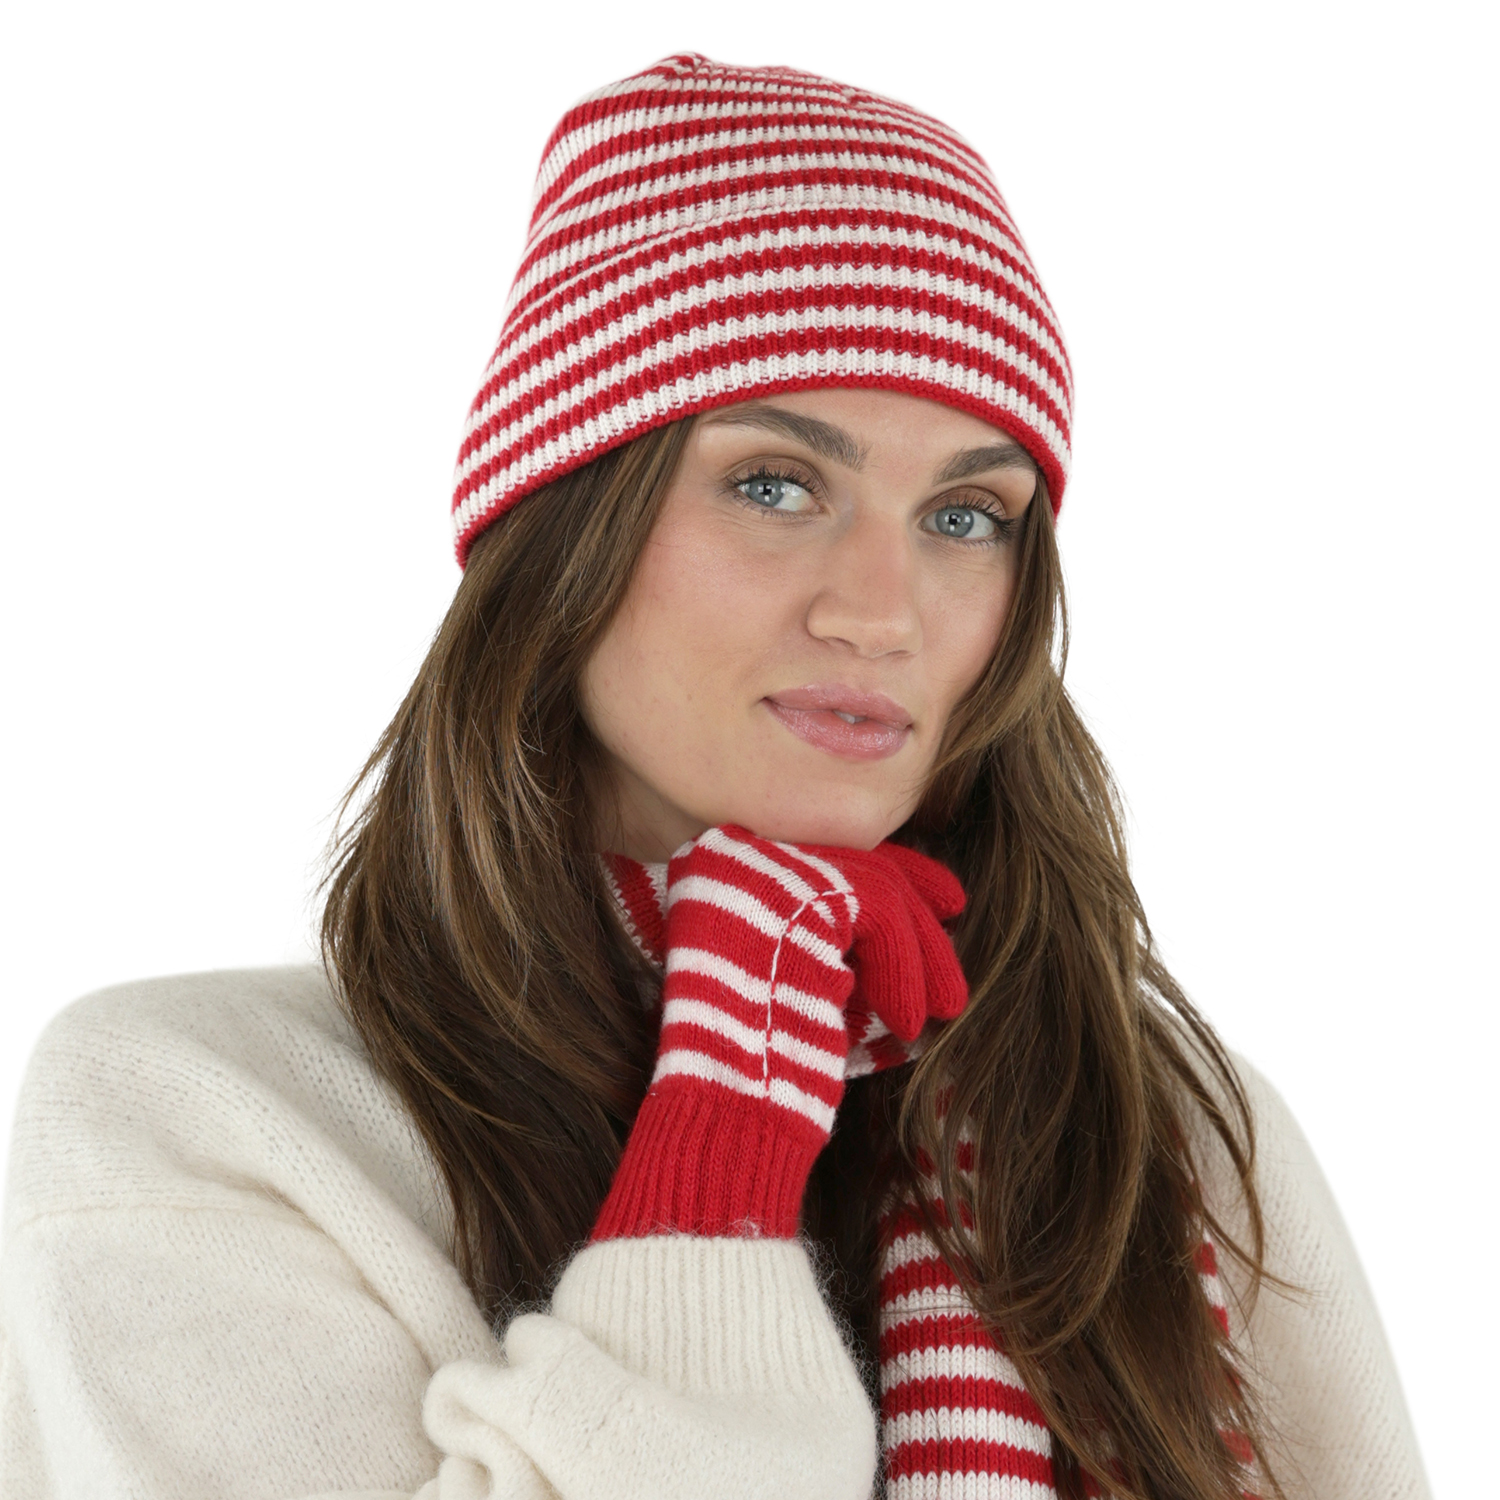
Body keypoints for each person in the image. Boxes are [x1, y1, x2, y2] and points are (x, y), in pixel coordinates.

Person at [0, 52, 1429, 1500]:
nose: (883, 611)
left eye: (964, 513)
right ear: (566, 527)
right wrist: (730, 1123)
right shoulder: (207, 1117)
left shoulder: (1156, 1140)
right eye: (774, 484)